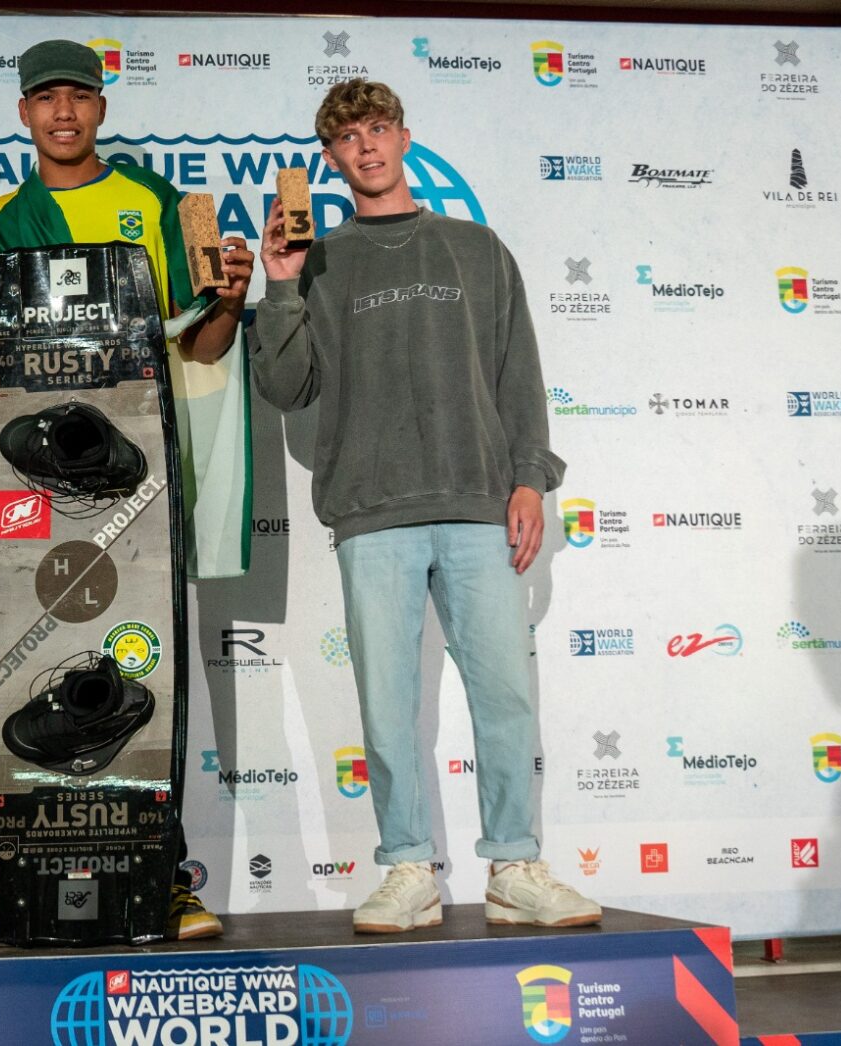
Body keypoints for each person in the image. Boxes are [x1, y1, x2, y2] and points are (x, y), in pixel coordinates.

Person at [249, 78, 601, 932]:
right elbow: (286, 388)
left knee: (505, 698)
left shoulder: (477, 249)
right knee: (385, 705)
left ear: (404, 137)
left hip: (480, 503)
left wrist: (529, 478)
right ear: (330, 159)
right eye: (347, 138)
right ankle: (407, 866)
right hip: (371, 510)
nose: (365, 147)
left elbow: (518, 374)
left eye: (377, 129)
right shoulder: (320, 259)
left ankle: (514, 866)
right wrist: (282, 285)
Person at [0, 39, 255, 944]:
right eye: (46, 99)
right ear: (24, 114)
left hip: (137, 475)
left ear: (102, 107)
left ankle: (165, 881)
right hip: (30, 483)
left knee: (137, 673)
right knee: (24, 677)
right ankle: (20, 886)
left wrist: (230, 300)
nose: (63, 112)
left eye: (78, 95)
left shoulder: (161, 202)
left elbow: (205, 341)